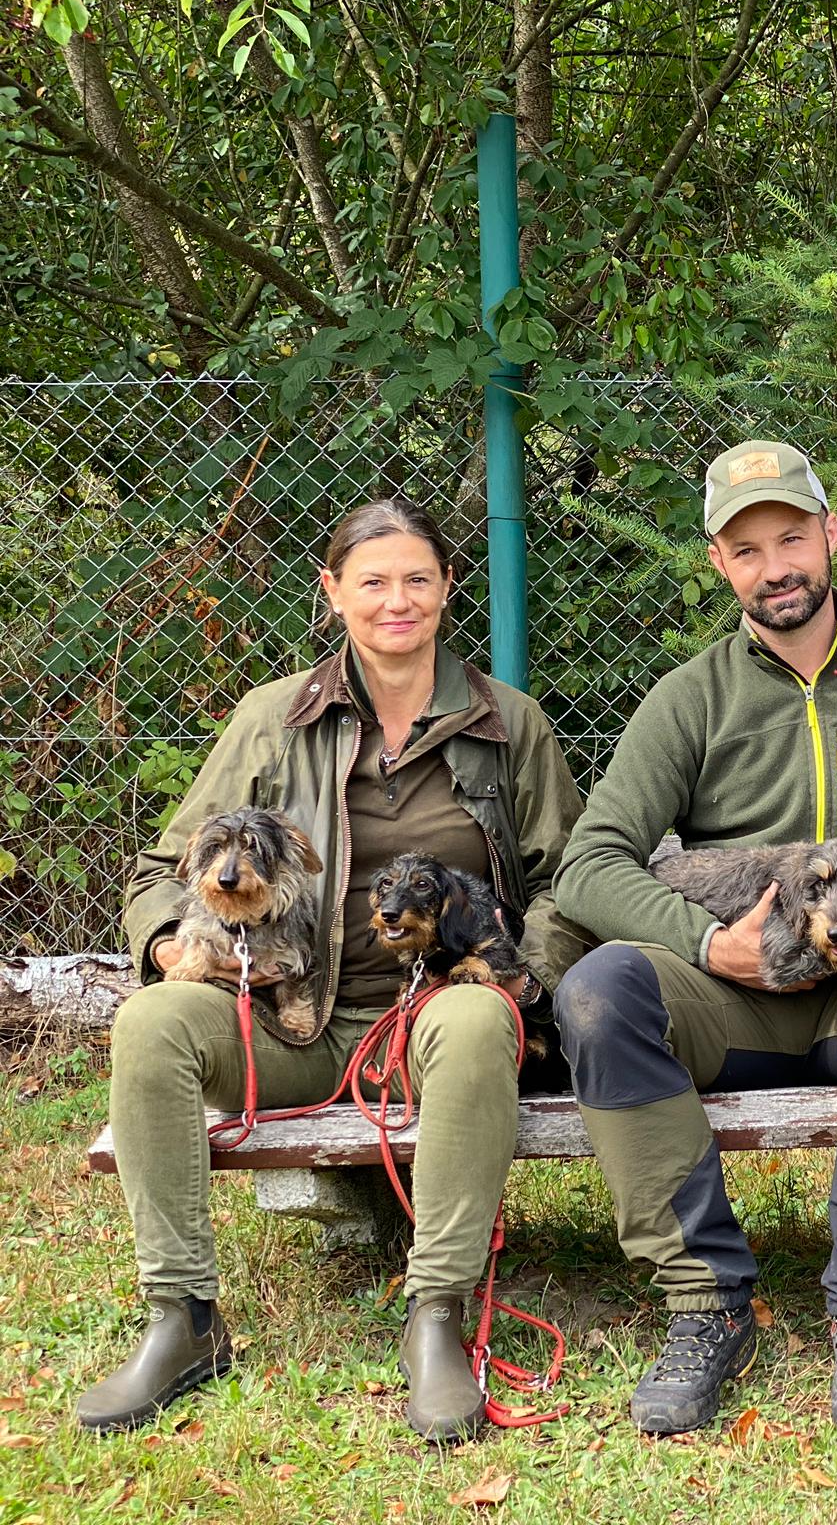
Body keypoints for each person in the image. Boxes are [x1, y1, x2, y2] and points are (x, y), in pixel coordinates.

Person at [79, 503, 587, 1443]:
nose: (399, 601)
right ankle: (181, 1320)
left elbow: (568, 878)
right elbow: (163, 870)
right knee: (152, 1021)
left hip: (432, 1017)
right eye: (374, 582)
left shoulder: (508, 723)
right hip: (290, 1022)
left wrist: (521, 973)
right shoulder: (274, 718)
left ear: (445, 589)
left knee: (474, 1019)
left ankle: (436, 1314)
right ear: (333, 593)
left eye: (418, 580)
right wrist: (171, 951)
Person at [551, 440, 837, 1436]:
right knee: (598, 990)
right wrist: (700, 942)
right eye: (748, 548)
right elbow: (590, 864)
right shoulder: (691, 698)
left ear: (830, 535)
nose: (776, 566)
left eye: (791, 537)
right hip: (736, 998)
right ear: (720, 565)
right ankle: (705, 1306)